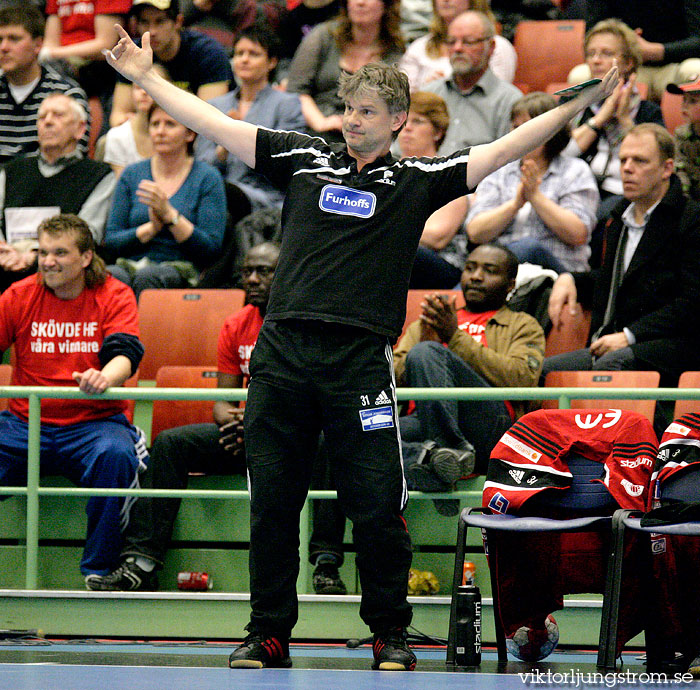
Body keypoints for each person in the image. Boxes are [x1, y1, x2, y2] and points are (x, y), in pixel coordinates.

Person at [104, 22, 617, 670]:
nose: (351, 120)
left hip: (359, 366)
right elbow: (213, 122)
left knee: (376, 507)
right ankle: (267, 633)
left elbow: (506, 145)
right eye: (347, 108)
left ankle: (389, 633)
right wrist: (147, 80)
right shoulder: (303, 156)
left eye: (366, 111)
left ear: (399, 118)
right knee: (272, 509)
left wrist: (580, 101)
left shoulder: (420, 179)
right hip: (283, 356)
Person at [85, 242, 348, 594]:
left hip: (295, 438)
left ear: (286, 273)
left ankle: (326, 563)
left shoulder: (308, 324)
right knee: (171, 444)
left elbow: (319, 402)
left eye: (264, 272)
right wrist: (239, 423)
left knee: (330, 442)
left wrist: (257, 423)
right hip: (249, 435)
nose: (252, 279)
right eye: (247, 271)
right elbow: (223, 403)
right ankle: (141, 562)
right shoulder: (237, 324)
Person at [0, 213, 147, 585]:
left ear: (85, 257)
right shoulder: (18, 295)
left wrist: (104, 377)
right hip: (24, 423)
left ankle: (97, 572)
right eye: (43, 252)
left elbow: (125, 353)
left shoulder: (115, 294)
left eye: (60, 253)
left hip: (94, 424)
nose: (48, 261)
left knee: (116, 457)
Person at [543, 123, 700, 387]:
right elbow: (617, 280)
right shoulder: (617, 218)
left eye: (639, 161)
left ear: (667, 169)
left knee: (611, 365)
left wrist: (630, 335)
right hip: (617, 342)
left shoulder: (691, 219)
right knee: (547, 370)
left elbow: (693, 302)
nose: (627, 168)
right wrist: (571, 278)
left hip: (675, 345)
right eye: (623, 159)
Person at [393, 243, 545, 514]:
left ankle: (448, 452)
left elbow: (522, 379)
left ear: (510, 284)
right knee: (352, 435)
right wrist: (422, 349)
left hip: (488, 424)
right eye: (470, 268)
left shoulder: (523, 324)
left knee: (426, 351)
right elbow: (390, 379)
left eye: (489, 270)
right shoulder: (428, 322)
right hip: (423, 420)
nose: (475, 276)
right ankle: (437, 463)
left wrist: (454, 338)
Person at [466, 92, 599, 273]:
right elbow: (475, 232)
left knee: (527, 247)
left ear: (552, 130)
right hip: (499, 271)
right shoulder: (499, 170)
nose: (520, 134)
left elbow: (578, 234)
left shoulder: (575, 170)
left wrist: (535, 197)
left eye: (528, 127)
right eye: (515, 127)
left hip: (557, 272)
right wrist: (515, 205)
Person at [104, 104, 227, 297]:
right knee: (112, 276)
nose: (160, 131)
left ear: (190, 134)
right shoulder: (132, 174)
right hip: (130, 263)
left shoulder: (207, 177)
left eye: (170, 124)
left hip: (182, 266)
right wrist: (151, 228)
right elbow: (111, 240)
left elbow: (210, 248)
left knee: (148, 277)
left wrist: (169, 215)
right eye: (155, 124)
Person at [0, 93, 116, 293]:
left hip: (63, 265)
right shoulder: (11, 170)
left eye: (58, 115)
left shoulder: (98, 175)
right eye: (42, 117)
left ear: (80, 129)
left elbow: (88, 235)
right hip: (6, 259)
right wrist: (3, 250)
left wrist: (39, 254)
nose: (48, 122)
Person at [195, 24, 306, 210]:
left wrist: (241, 138)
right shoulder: (216, 106)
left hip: (265, 197)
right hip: (218, 193)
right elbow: (201, 166)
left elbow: (288, 163)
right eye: (239, 54)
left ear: (272, 62)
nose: (244, 60)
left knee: (219, 195)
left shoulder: (287, 104)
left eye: (253, 54)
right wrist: (222, 149)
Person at [564, 19, 664, 226]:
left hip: (620, 193)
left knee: (607, 214)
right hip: (573, 188)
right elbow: (558, 154)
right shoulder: (571, 104)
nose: (596, 60)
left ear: (628, 63)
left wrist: (625, 119)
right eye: (591, 54)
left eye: (607, 54)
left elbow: (656, 167)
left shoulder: (648, 112)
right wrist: (600, 118)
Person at [285, 0, 405, 141]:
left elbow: (396, 106)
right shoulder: (324, 36)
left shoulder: (397, 51)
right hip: (316, 129)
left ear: (386, 5)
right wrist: (321, 123)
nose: (360, 2)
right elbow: (296, 90)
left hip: (368, 137)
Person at [110, 0, 233, 126]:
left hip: (196, 137)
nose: (151, 31)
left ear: (178, 22)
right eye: (144, 22)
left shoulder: (208, 53)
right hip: (151, 132)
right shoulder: (133, 52)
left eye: (160, 21)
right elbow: (118, 117)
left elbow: (210, 121)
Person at [397, 90, 468, 288]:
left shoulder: (449, 175)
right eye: (403, 121)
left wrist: (382, 225)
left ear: (437, 132)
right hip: (397, 256)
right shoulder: (385, 172)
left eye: (418, 121)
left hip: (442, 265)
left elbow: (437, 237)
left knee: (398, 250)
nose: (407, 128)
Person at [0, 5, 89, 163]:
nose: (4, 47)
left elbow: (72, 162)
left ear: (38, 45)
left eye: (14, 39)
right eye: (0, 40)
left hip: (47, 182)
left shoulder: (66, 94)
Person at [424, 10, 522, 155]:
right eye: (451, 42)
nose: (457, 48)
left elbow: (509, 163)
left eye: (468, 42)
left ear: (491, 47)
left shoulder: (509, 101)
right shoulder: (430, 93)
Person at [579, 0, 700, 102]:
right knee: (579, 76)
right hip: (627, 67)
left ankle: (690, 130)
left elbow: (697, 39)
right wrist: (625, 43)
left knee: (695, 69)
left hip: (675, 65)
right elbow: (592, 35)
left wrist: (658, 51)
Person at [399, 0, 516, 91]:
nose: (445, 0)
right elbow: (402, 98)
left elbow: (495, 95)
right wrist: (428, 92)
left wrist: (448, 89)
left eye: (469, 42)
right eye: (452, 42)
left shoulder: (497, 46)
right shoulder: (419, 46)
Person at [103, 63, 171, 177]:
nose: (144, 92)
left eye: (150, 86)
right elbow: (124, 188)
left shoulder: (178, 135)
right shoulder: (117, 136)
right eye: (138, 87)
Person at [667, 75, 700, 201]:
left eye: (692, 101)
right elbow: (681, 170)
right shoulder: (681, 134)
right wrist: (685, 201)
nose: (684, 105)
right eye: (684, 99)